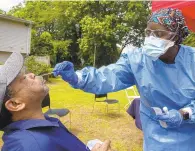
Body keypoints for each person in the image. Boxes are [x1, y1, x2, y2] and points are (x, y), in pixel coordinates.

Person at [53, 8, 195, 151]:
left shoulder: (192, 60)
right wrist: (77, 78)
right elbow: (109, 76)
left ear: (175, 37)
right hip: (155, 140)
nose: (151, 39)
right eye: (148, 33)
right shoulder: (138, 60)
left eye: (158, 34)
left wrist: (184, 114)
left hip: (189, 139)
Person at [0, 52, 112, 151]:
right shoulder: (31, 146)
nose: (32, 74)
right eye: (23, 78)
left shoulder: (43, 124)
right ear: (15, 104)